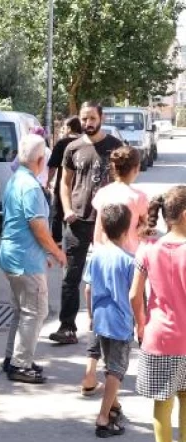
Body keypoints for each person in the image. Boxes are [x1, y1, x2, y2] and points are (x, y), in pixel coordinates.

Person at [49, 102, 123, 345]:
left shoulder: (114, 146)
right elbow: (64, 183)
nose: (88, 123)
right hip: (77, 220)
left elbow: (126, 180)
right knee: (71, 276)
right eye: (84, 118)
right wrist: (67, 210)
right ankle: (67, 327)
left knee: (108, 275)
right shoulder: (73, 148)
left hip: (108, 222)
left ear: (101, 117)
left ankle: (108, 326)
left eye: (92, 118)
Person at [80, 145, 148, 396]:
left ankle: (89, 372)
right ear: (136, 169)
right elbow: (143, 229)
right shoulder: (138, 197)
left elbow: (98, 224)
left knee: (100, 315)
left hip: (101, 254)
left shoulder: (104, 192)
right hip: (128, 261)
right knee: (131, 312)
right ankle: (128, 366)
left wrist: (96, 248)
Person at [0, 134, 66, 384]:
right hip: (24, 259)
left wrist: (44, 252)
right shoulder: (30, 186)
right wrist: (56, 252)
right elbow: (37, 226)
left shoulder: (16, 180)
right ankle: (20, 363)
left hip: (14, 255)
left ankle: (14, 358)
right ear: (40, 160)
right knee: (35, 311)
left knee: (23, 311)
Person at [132, 186, 186, 442]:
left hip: (159, 339)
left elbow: (134, 295)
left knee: (162, 406)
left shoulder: (148, 247)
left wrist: (140, 324)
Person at [81, 204, 135, 438]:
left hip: (101, 319)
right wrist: (140, 322)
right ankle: (104, 417)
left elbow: (87, 289)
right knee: (117, 370)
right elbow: (135, 296)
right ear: (126, 231)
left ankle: (114, 405)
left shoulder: (97, 256)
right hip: (121, 323)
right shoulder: (130, 261)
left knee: (108, 364)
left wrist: (91, 314)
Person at [48, 116, 82, 245]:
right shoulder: (85, 143)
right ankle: (76, 239)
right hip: (81, 186)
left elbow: (53, 166)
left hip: (63, 184)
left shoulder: (62, 143)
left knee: (58, 212)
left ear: (68, 128)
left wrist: (47, 182)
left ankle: (57, 240)